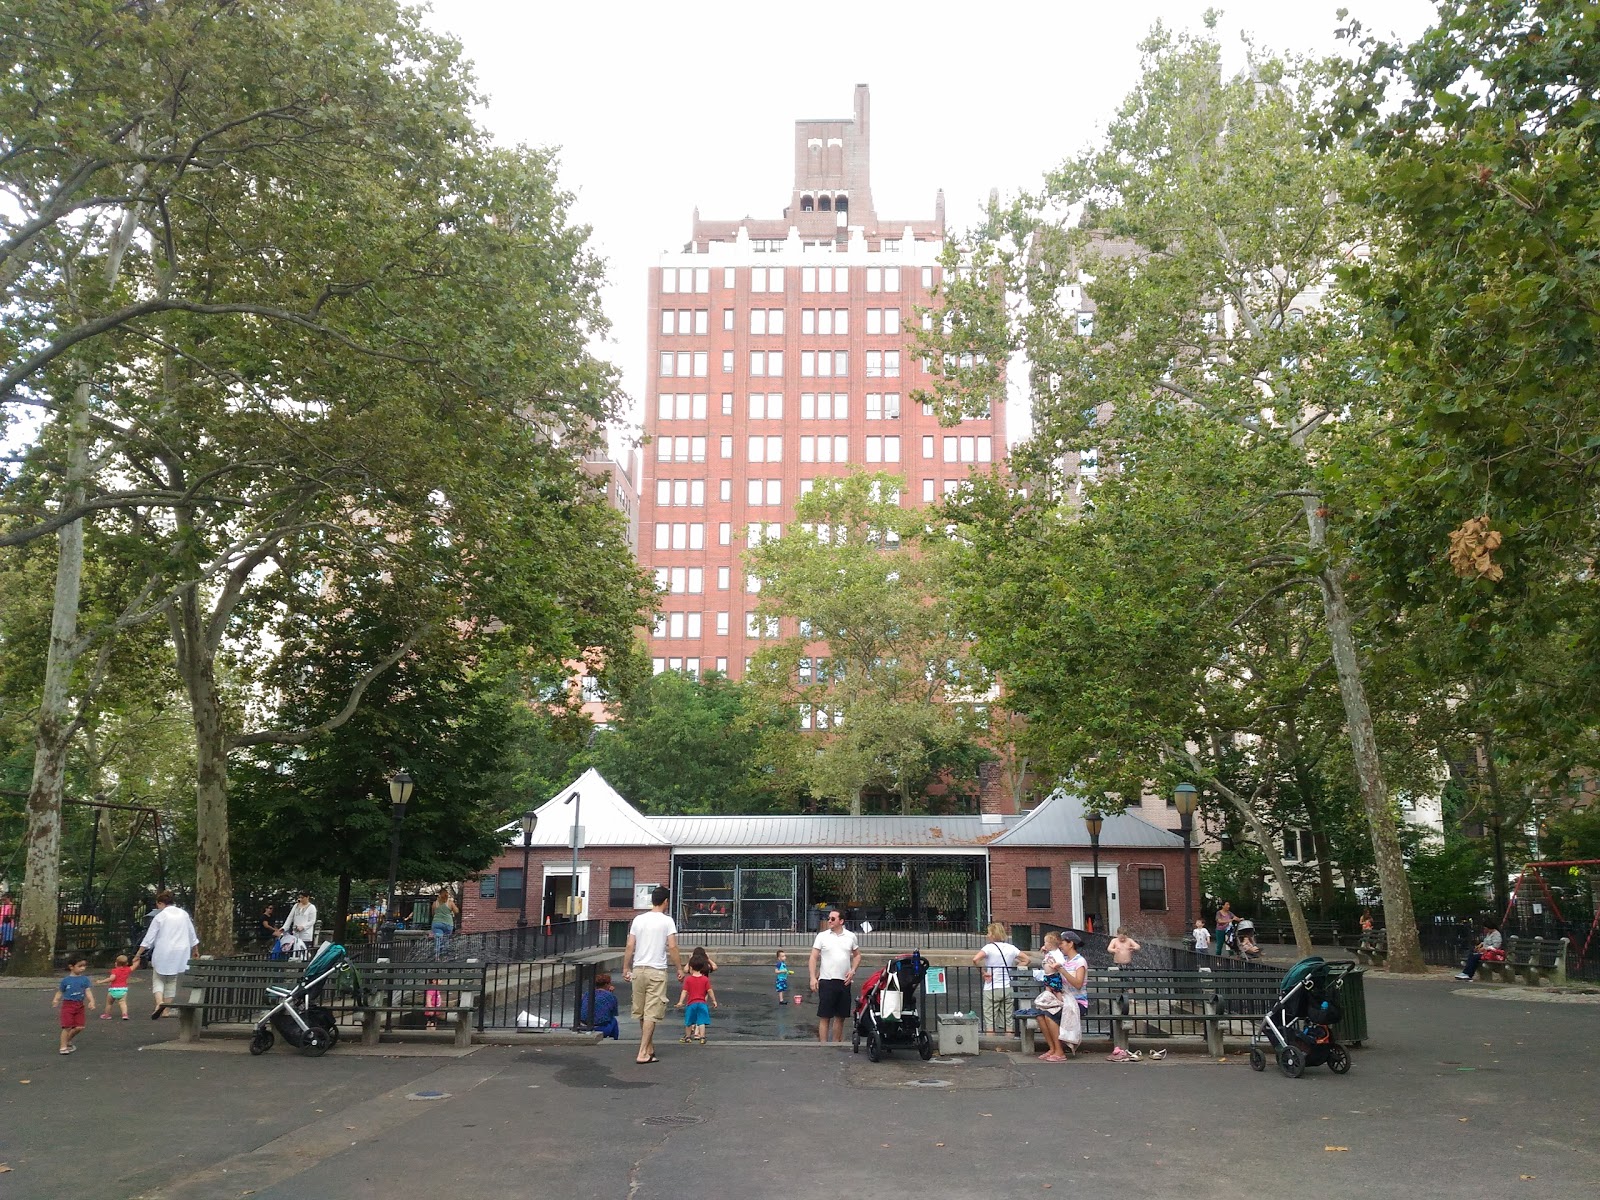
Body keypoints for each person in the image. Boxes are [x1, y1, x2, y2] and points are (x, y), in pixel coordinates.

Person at [622, 885, 683, 1064]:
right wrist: (679, 968)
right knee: (652, 1012)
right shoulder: (667, 921)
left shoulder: (638, 919)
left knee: (641, 1012)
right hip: (656, 970)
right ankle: (642, 1052)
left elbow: (630, 945)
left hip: (638, 968)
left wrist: (626, 968)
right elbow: (672, 946)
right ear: (666, 901)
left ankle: (649, 1048)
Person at [133, 890, 199, 1018]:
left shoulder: (160, 916)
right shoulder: (183, 914)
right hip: (180, 951)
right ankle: (166, 1010)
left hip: (163, 950)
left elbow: (149, 938)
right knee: (172, 980)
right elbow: (192, 933)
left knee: (158, 977)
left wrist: (138, 954)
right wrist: (195, 949)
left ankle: (159, 1003)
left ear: (160, 903)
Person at [808, 909, 861, 1043]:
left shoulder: (850, 936)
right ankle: (823, 1044)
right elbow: (813, 957)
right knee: (825, 1015)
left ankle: (836, 1043)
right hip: (827, 979)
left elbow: (857, 955)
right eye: (829, 918)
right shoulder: (822, 936)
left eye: (833, 919)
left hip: (844, 980)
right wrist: (813, 977)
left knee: (840, 1016)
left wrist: (853, 970)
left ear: (841, 921)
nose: (829, 921)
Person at [972, 921, 1030, 1034]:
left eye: (989, 933)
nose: (987, 935)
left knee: (990, 1021)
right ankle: (1009, 1039)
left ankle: (991, 1042)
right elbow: (1027, 960)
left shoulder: (988, 948)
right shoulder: (1011, 948)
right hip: (1007, 986)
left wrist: (983, 972)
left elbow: (975, 960)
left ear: (993, 935)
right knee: (1008, 1020)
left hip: (991, 987)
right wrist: (1017, 966)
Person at [1030, 932, 1073, 1062]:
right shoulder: (1050, 953)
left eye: (1046, 943)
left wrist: (1056, 966)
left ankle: (1059, 1051)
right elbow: (1047, 960)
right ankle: (1052, 1048)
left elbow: (1060, 963)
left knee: (1050, 1011)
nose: (1044, 945)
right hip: (1048, 977)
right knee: (1040, 1014)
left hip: (1054, 977)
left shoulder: (1059, 955)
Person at [54, 954, 95, 1054]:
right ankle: (63, 1046)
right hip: (68, 1005)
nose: (82, 968)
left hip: (79, 1005)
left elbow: (88, 991)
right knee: (67, 1027)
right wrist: (56, 999)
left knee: (79, 1027)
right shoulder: (66, 980)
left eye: (84, 966)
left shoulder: (84, 979)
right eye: (80, 966)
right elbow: (60, 991)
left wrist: (91, 1001)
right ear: (71, 967)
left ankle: (67, 1040)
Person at [677, 947, 718, 1044]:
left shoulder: (689, 979)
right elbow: (710, 990)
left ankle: (688, 1036)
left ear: (691, 966)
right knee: (702, 1020)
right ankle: (702, 1036)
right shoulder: (705, 977)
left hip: (691, 1002)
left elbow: (684, 991)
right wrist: (714, 1000)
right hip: (702, 1000)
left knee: (689, 1020)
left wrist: (680, 1001)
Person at [579, 972, 620, 1039]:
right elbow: (614, 1012)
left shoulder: (587, 994)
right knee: (613, 1020)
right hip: (601, 1028)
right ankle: (614, 1039)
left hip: (584, 1026)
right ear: (607, 984)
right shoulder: (610, 996)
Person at [98, 954, 134, 1020]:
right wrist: (137, 959)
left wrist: (101, 981)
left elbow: (111, 979)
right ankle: (124, 1014)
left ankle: (107, 1015)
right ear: (126, 963)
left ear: (116, 963)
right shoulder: (128, 969)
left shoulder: (114, 970)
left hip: (113, 989)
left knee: (109, 1003)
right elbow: (134, 966)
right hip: (123, 989)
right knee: (123, 1003)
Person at [285, 891, 317, 955]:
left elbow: (312, 921)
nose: (300, 899)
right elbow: (290, 917)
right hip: (295, 933)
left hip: (305, 934)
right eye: (300, 897)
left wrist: (303, 927)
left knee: (304, 951)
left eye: (302, 898)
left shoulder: (312, 907)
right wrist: (284, 927)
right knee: (294, 950)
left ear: (307, 897)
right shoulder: (296, 906)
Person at [0, 891, 16, 963]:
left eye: (5, 899)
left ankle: (7, 956)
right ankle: (2, 956)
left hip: (8, 925)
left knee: (7, 940)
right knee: (1, 939)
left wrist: (8, 917)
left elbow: (12, 916)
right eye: (2, 900)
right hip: (1, 924)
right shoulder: (3, 906)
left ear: (9, 898)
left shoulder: (11, 905)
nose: (3, 901)